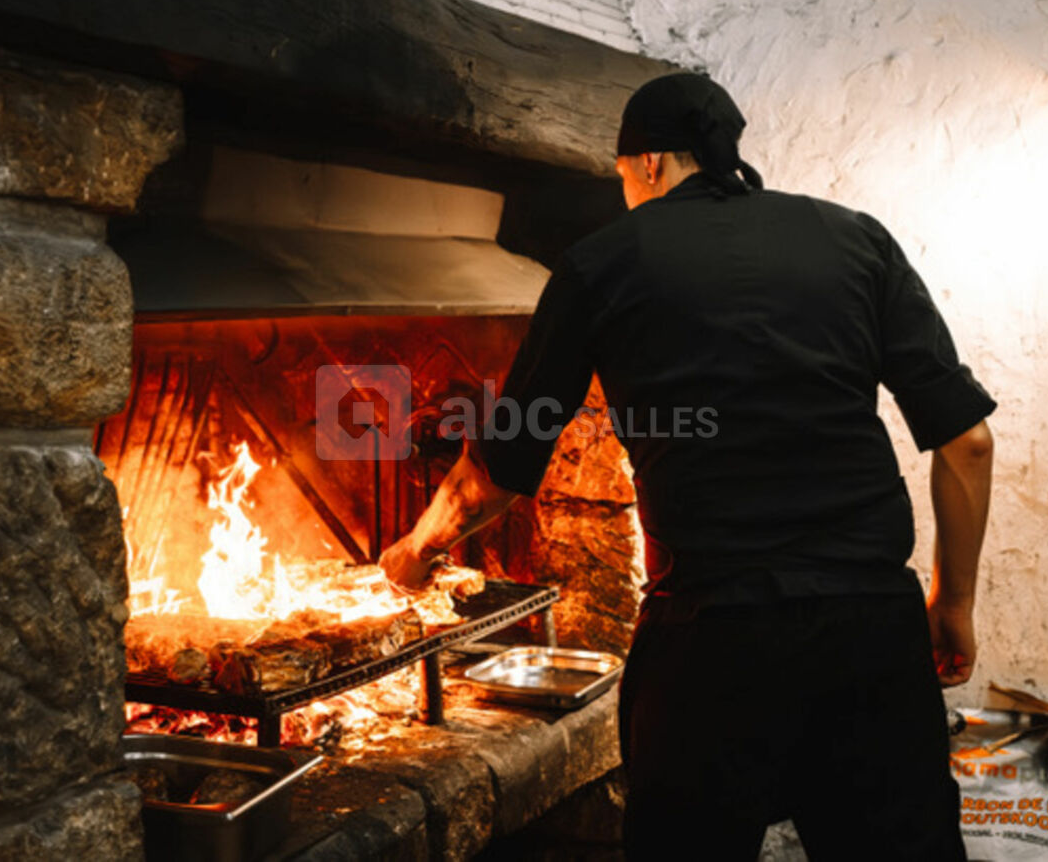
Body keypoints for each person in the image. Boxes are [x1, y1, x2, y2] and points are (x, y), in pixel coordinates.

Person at [381, 72, 994, 860]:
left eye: (620, 177)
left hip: (712, 644)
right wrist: (952, 605)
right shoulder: (858, 239)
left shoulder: (601, 264)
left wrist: (413, 551)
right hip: (871, 632)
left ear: (647, 164)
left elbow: (499, 468)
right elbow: (968, 443)